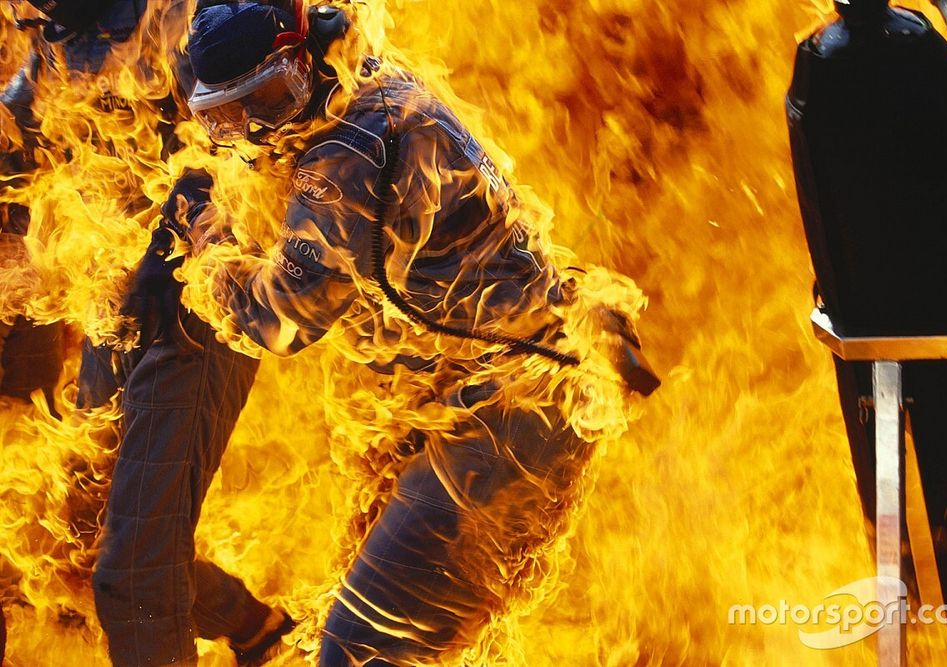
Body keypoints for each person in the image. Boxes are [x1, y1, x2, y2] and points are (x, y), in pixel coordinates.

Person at [156, 2, 658, 664]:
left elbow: (278, 320)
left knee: (358, 649)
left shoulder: (347, 154)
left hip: (508, 412)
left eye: (270, 101)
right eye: (227, 117)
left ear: (304, 61)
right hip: (499, 394)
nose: (252, 131)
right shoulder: (369, 89)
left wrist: (207, 242)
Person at [0, 2, 289, 664]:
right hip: (119, 300)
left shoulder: (185, 19)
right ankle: (255, 626)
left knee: (133, 573)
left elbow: (250, 141)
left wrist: (174, 235)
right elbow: (23, 113)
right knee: (88, 528)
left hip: (197, 304)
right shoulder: (58, 31)